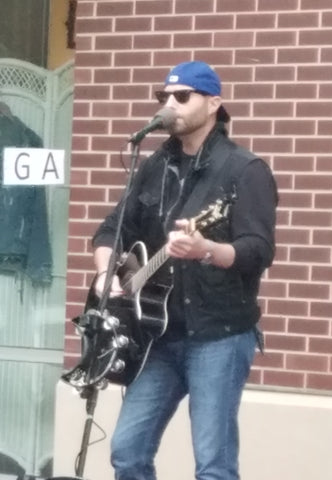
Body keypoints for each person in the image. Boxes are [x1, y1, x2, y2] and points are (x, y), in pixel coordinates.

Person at [92, 61, 278, 480]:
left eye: (182, 96)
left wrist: (206, 249)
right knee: (126, 450)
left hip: (219, 336)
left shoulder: (244, 170)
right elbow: (111, 230)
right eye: (164, 97)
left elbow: (259, 251)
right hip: (158, 337)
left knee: (212, 464)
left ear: (214, 103)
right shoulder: (156, 166)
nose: (169, 104)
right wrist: (107, 274)